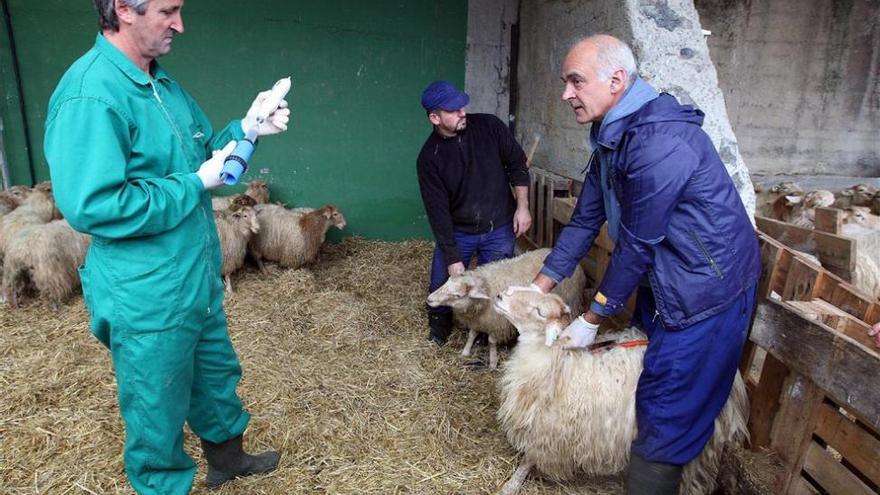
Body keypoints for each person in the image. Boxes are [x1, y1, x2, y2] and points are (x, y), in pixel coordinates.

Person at [43, 1, 290, 493]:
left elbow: (201, 158)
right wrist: (195, 183)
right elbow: (96, 205)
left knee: (216, 377)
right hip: (146, 289)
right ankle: (162, 484)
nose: (180, 23)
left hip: (192, 272)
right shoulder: (91, 95)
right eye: (167, 10)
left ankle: (227, 460)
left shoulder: (161, 84)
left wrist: (245, 130)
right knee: (157, 406)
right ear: (122, 9)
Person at [529, 35, 761, 493]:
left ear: (617, 80)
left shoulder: (659, 141)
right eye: (564, 82)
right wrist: (536, 289)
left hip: (705, 289)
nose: (565, 94)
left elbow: (636, 242)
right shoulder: (611, 138)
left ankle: (659, 477)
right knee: (646, 379)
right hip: (667, 276)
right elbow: (583, 222)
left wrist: (593, 317)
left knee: (665, 403)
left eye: (576, 81)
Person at [417, 80, 532, 346]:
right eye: (454, 110)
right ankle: (439, 327)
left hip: (499, 226)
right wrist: (452, 257)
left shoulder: (489, 127)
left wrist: (523, 207)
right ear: (435, 117)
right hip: (459, 231)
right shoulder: (429, 158)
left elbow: (517, 164)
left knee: (494, 287)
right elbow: (438, 213)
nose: (462, 112)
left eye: (462, 106)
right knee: (441, 282)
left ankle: (487, 336)